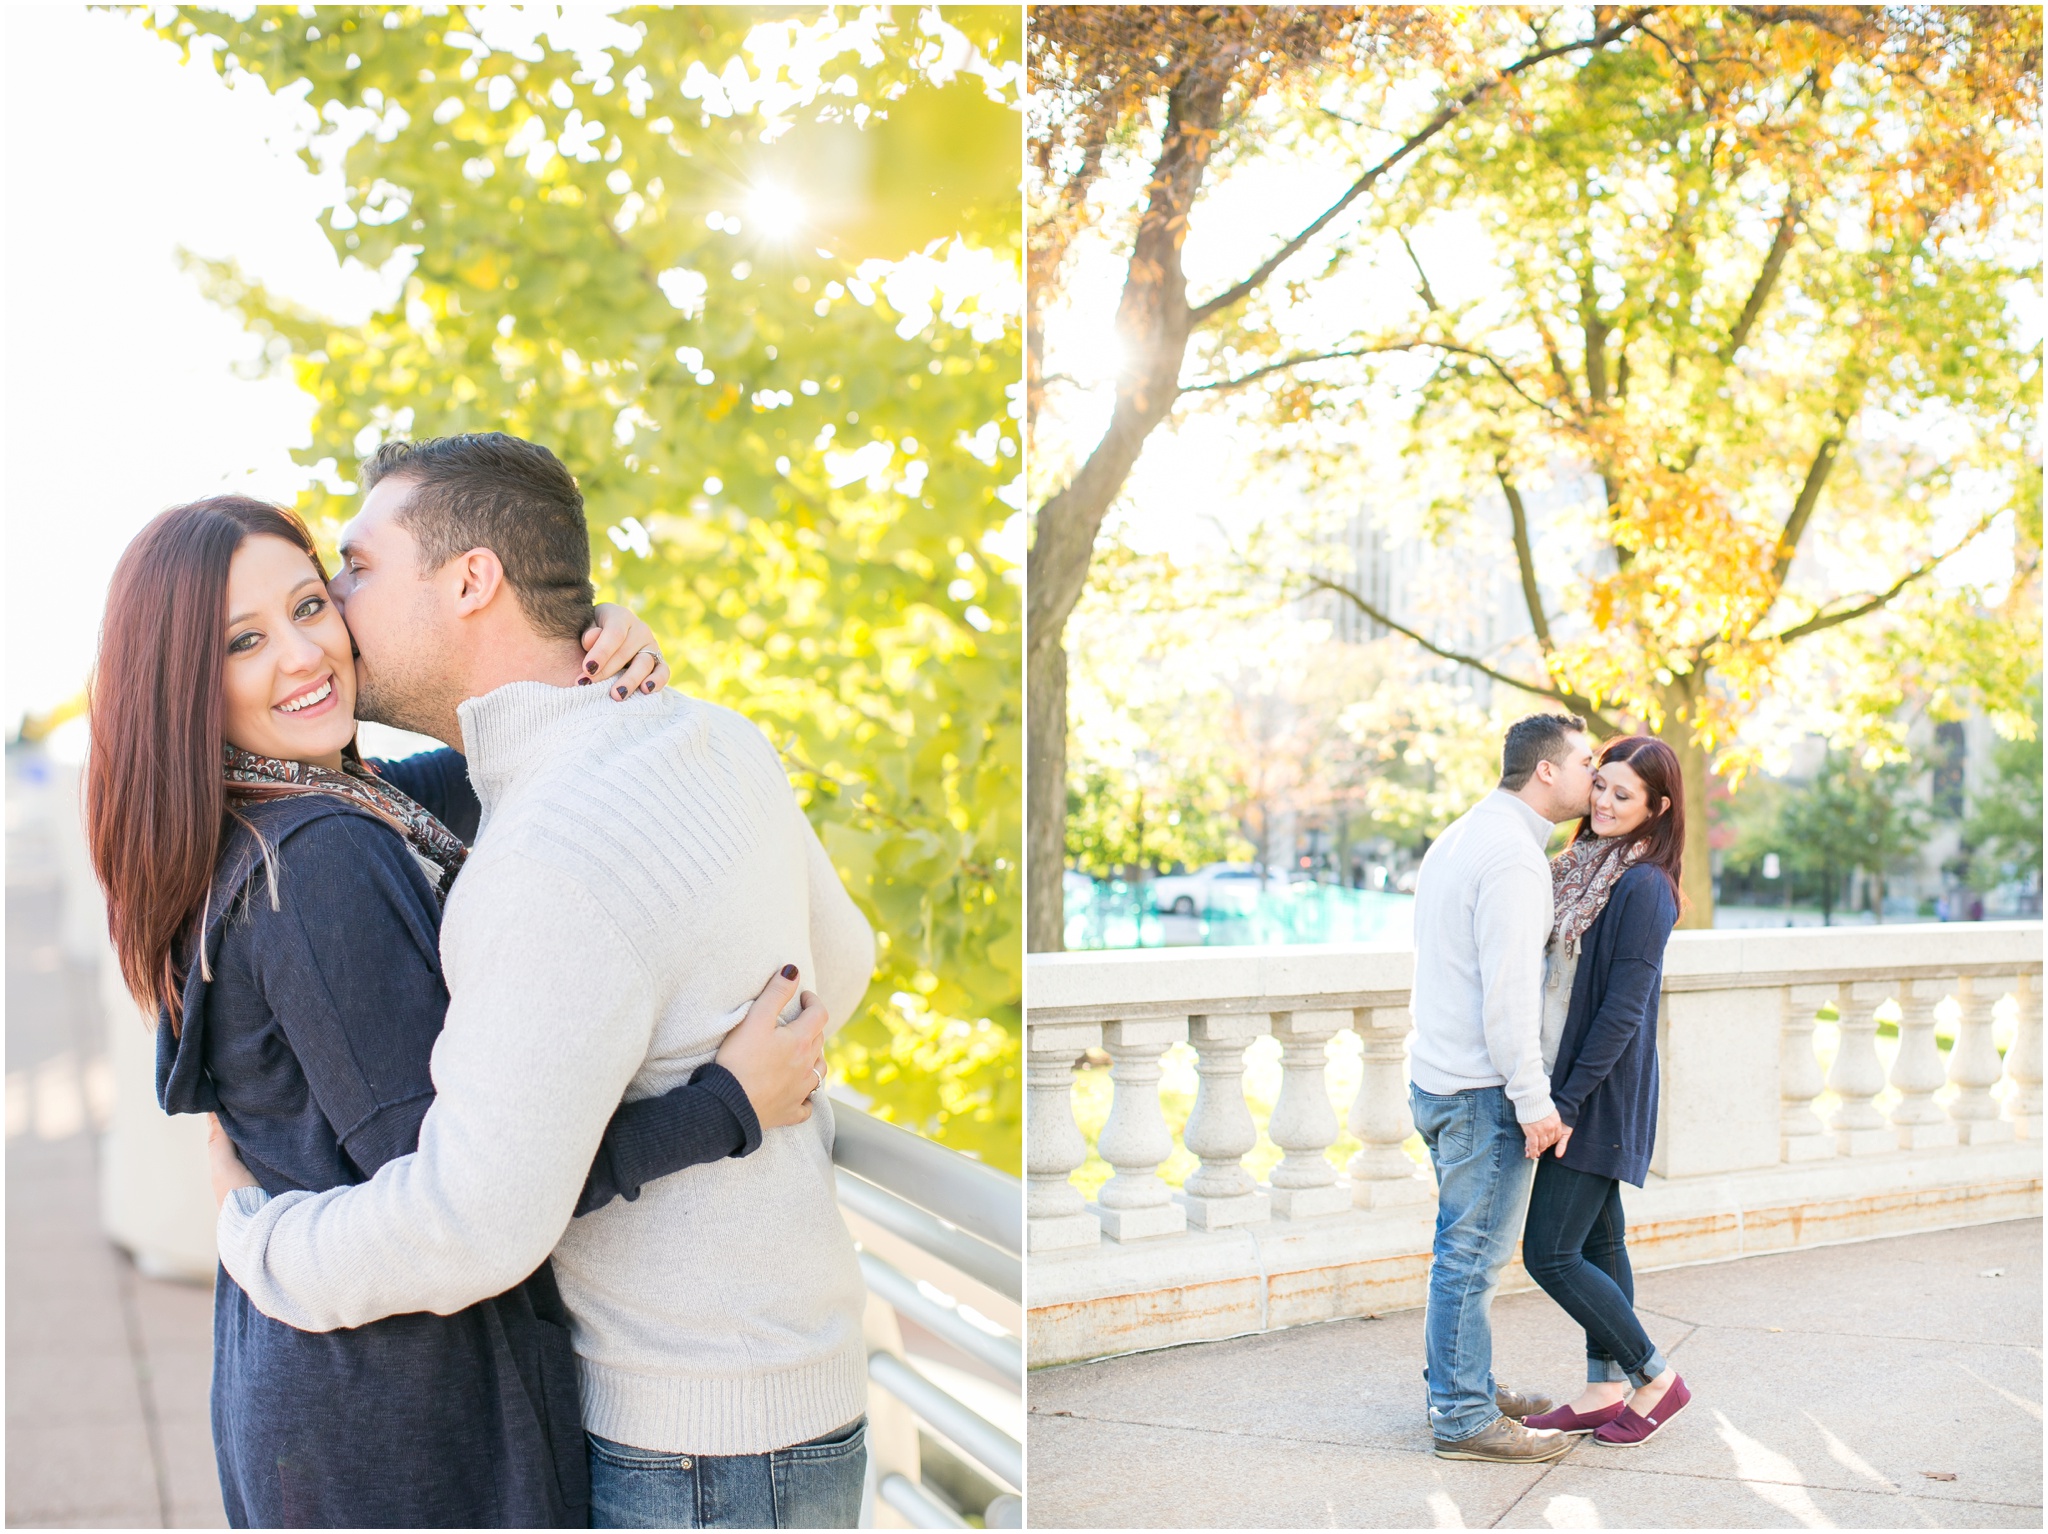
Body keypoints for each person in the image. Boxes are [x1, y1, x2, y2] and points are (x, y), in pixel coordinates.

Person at [85, 494, 834, 1526]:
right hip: (402, 1418)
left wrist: (592, 648)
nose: (305, 653)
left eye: (312, 603)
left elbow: (504, 750)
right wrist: (723, 1105)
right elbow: (464, 1191)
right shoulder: (320, 862)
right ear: (180, 683)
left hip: (323, 1379)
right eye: (244, 641)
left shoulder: (324, 808)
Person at [1408, 712, 1596, 1463]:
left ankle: (1462, 1383)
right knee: (1470, 1259)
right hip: (1480, 1091)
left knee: (1458, 1253)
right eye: (1585, 761)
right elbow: (1509, 995)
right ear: (1546, 771)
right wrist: (1535, 1102)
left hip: (1436, 1079)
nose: (1594, 773)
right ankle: (1460, 1416)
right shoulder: (1515, 860)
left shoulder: (1463, 833)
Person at [1520, 737, 1691, 1446]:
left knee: (1550, 1253)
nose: (1605, 803)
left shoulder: (1644, 886)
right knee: (1600, 1239)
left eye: (1625, 796)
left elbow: (1624, 1009)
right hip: (1573, 1081)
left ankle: (1654, 1376)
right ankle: (1602, 1387)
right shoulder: (1582, 868)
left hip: (1597, 1091)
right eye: (1602, 787)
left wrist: (1567, 1102)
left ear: (1658, 808)